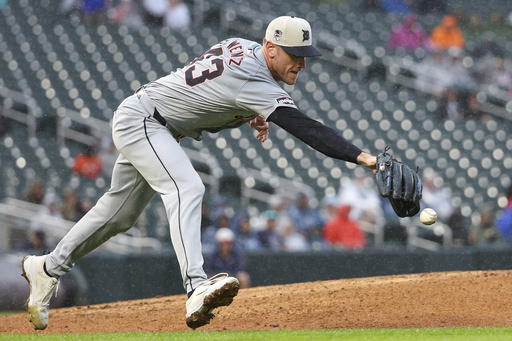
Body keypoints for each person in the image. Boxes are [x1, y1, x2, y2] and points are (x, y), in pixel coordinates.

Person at [21, 16, 379, 332]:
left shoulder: (242, 47)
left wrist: (247, 111)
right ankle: (196, 287)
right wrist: (364, 158)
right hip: (145, 121)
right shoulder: (258, 81)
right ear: (270, 48)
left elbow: (214, 86)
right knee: (187, 187)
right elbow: (306, 128)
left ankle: (47, 268)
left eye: (304, 55)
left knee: (119, 215)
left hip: (151, 119)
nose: (300, 62)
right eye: (292, 53)